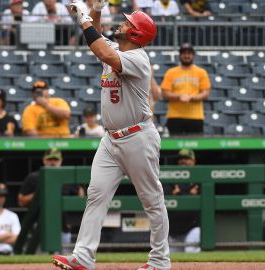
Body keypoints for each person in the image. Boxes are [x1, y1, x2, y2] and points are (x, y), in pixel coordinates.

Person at [53, 2, 170, 270]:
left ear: (136, 35)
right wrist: (95, 10)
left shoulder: (138, 58)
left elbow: (101, 51)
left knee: (152, 200)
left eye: (128, 23)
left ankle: (160, 261)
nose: (123, 22)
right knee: (96, 194)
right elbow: (98, 42)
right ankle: (82, 256)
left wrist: (83, 16)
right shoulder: (117, 49)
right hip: (111, 140)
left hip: (138, 136)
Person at [19, 148, 85, 253]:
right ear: (44, 160)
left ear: (61, 161)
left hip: (63, 228)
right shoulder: (34, 177)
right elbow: (21, 200)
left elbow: (80, 195)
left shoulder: (68, 176)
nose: (53, 162)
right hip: (40, 227)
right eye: (50, 159)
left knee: (64, 259)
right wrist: (40, 192)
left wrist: (71, 221)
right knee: (40, 260)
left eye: (55, 159)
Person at [161, 43, 210, 136]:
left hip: (195, 117)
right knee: (176, 149)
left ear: (193, 55)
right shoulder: (171, 72)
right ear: (180, 55)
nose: (186, 56)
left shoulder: (201, 72)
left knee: (196, 148)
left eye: (189, 53)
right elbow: (165, 93)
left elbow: (206, 93)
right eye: (184, 53)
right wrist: (179, 96)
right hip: (175, 117)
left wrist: (192, 98)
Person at [167, 149, 200, 253]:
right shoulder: (171, 178)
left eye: (187, 159)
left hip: (192, 228)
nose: (183, 161)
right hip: (173, 231)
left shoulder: (199, 177)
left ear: (193, 161)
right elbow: (166, 194)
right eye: (181, 159)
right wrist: (190, 194)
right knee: (171, 261)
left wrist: (179, 193)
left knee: (190, 253)